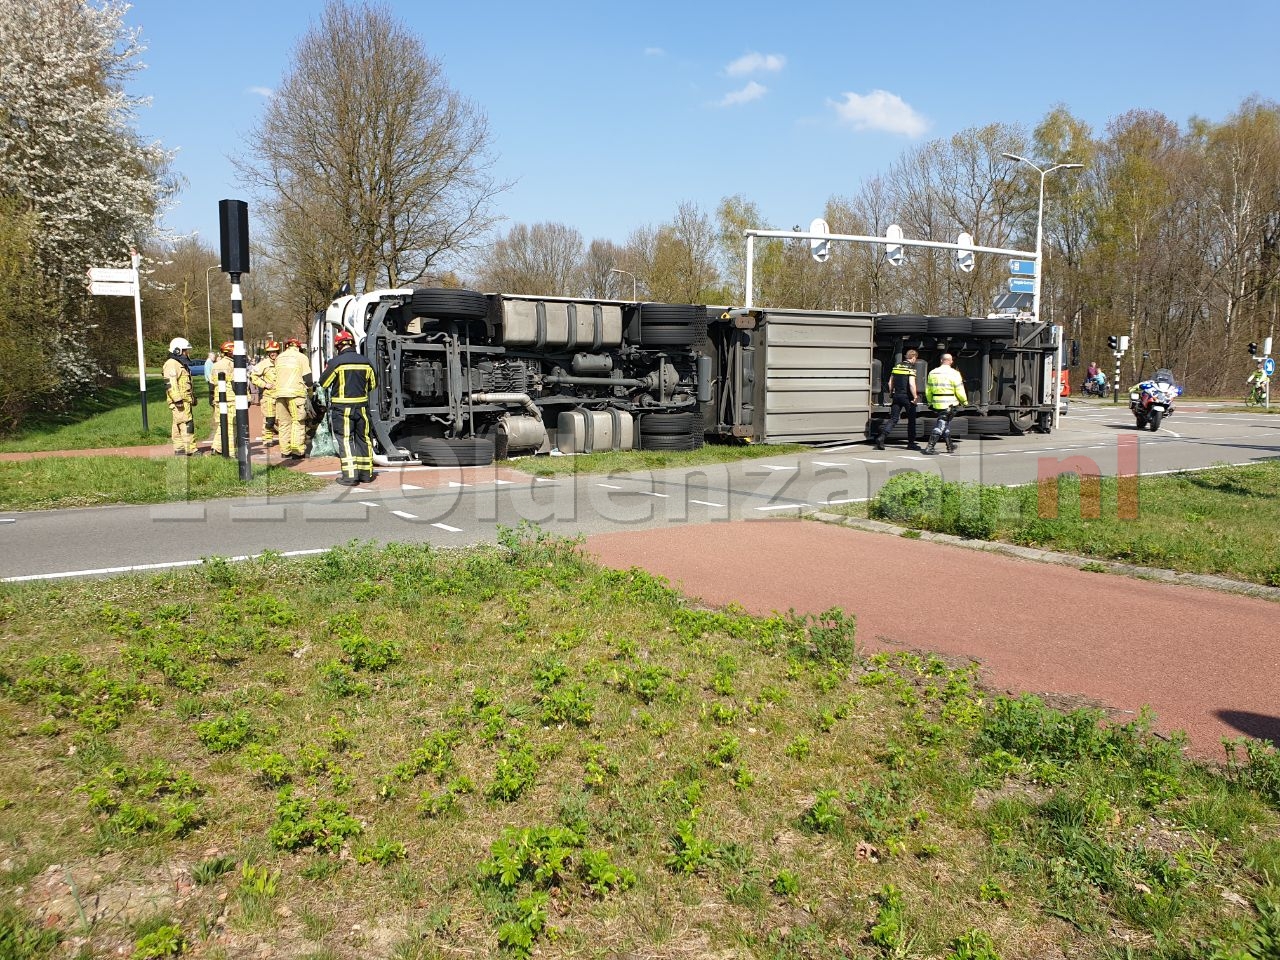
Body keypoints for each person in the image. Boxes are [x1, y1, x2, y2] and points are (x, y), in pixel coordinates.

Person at [319, 330, 377, 485]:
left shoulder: (336, 362)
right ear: (352, 343)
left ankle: (350, 476)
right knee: (364, 439)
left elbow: (324, 383)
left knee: (346, 440)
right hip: (362, 408)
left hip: (342, 409)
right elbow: (373, 384)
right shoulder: (366, 362)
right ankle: (366, 474)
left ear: (338, 345)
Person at [272, 338, 313, 460]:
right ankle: (297, 451)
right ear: (299, 347)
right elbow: (308, 378)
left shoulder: (279, 358)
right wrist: (310, 392)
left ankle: (285, 451)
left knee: (284, 423)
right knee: (297, 421)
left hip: (279, 394)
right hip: (295, 394)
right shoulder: (301, 357)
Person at [874, 349, 921, 451]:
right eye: (915, 359)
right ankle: (911, 443)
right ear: (913, 357)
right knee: (911, 420)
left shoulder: (897, 366)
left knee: (894, 418)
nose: (915, 361)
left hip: (896, 396)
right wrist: (915, 397)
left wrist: (891, 393)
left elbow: (890, 383)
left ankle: (882, 438)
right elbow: (912, 384)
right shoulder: (911, 368)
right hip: (907, 397)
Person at [923, 353, 968, 455]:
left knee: (945, 423)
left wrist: (930, 401)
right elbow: (959, 390)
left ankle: (950, 446)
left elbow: (928, 390)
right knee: (941, 424)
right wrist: (964, 402)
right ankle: (929, 447)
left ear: (941, 360)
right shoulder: (954, 373)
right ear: (951, 361)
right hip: (949, 404)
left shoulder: (932, 373)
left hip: (937, 404)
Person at [162, 337, 200, 456]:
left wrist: (192, 398)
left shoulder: (179, 364)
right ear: (177, 351)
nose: (187, 353)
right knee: (186, 424)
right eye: (185, 350)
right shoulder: (172, 364)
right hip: (180, 400)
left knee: (177, 424)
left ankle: (179, 449)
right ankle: (191, 449)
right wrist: (177, 399)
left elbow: (185, 383)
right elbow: (171, 383)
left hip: (185, 400)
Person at [251, 340, 280, 445]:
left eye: (275, 351)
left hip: (281, 396)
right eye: (270, 352)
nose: (273, 353)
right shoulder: (263, 364)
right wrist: (264, 385)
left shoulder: (281, 362)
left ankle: (284, 438)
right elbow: (253, 377)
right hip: (269, 396)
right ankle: (268, 439)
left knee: (282, 419)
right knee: (269, 419)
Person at [208, 341, 235, 455]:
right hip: (230, 398)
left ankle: (216, 447)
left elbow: (211, 383)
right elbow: (235, 383)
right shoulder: (232, 365)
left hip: (217, 397)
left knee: (221, 423)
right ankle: (230, 451)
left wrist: (212, 397)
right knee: (231, 425)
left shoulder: (216, 365)